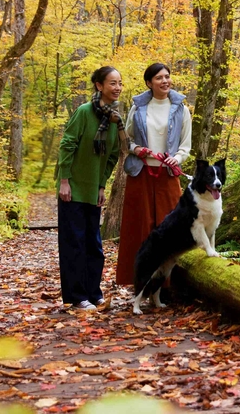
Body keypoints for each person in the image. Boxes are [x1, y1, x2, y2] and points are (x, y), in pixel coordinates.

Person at [56, 66, 126, 310]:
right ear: (99, 85)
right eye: (112, 83)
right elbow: (67, 145)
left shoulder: (114, 118)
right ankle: (76, 297)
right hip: (73, 187)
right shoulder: (84, 112)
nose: (117, 87)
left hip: (92, 190)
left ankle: (93, 292)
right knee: (74, 243)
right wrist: (64, 181)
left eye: (120, 83)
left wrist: (101, 186)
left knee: (94, 244)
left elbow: (112, 156)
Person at [115, 62, 192, 286]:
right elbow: (125, 139)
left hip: (168, 176)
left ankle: (169, 286)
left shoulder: (181, 109)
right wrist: (136, 149)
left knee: (172, 230)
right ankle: (140, 283)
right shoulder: (138, 108)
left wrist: (175, 159)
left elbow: (185, 146)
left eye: (167, 76)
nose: (165, 81)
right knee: (140, 229)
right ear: (149, 83)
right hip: (141, 175)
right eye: (159, 78)